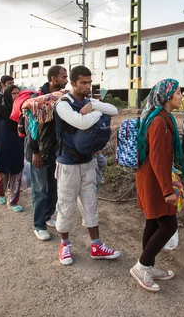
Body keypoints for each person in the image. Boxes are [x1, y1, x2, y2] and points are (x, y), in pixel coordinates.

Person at [53, 66, 120, 266]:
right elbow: (81, 123)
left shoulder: (88, 102)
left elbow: (115, 110)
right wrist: (98, 111)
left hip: (88, 162)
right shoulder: (62, 104)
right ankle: (64, 245)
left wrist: (93, 107)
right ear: (72, 83)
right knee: (66, 205)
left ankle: (96, 245)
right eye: (83, 83)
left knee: (91, 204)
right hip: (68, 164)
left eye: (90, 82)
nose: (88, 86)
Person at [130, 78, 184, 292]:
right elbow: (158, 158)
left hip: (151, 177)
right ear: (167, 97)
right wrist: (167, 190)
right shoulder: (159, 122)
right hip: (155, 180)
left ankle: (149, 266)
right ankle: (142, 266)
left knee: (153, 223)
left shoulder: (161, 117)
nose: (181, 96)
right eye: (179, 92)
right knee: (169, 225)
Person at [26, 66, 68, 241]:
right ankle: (39, 225)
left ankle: (48, 215)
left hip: (54, 151)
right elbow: (31, 128)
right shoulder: (38, 100)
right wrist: (35, 152)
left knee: (54, 188)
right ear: (52, 79)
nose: (66, 80)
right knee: (40, 189)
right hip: (38, 152)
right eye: (63, 77)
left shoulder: (61, 98)